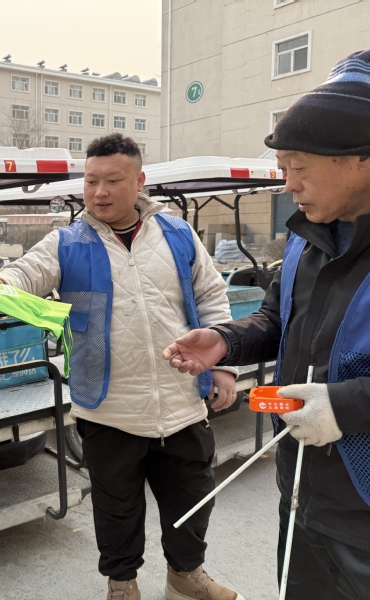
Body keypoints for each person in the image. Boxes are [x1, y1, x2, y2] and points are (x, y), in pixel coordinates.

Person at [0, 134, 242, 600]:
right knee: (116, 509)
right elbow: (26, 274)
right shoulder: (67, 242)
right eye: (91, 181)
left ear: (139, 181)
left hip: (181, 401)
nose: (99, 192)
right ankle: (122, 584)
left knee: (193, 500)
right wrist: (0, 280)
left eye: (113, 180)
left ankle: (186, 575)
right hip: (108, 407)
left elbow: (213, 297)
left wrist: (225, 365)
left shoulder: (177, 234)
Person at [163, 49, 370, 599]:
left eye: (299, 167)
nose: (288, 186)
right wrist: (224, 341)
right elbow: (280, 320)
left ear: (361, 158)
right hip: (302, 490)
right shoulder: (305, 239)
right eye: (282, 168)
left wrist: (346, 406)